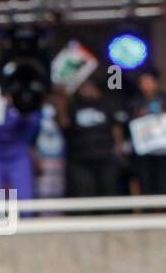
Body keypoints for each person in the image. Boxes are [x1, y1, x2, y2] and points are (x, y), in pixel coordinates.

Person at [55, 80, 125, 200]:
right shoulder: (74, 105)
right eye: (83, 87)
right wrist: (61, 101)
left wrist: (118, 147)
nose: (85, 90)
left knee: (109, 192)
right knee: (84, 193)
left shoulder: (106, 104)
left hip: (105, 156)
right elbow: (64, 123)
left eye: (88, 86)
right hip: (80, 159)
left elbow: (116, 127)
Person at [0, 99, 41, 203]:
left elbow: (33, 128)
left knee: (24, 199)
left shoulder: (23, 107)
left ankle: (26, 219)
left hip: (18, 157)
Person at [131, 67, 166, 198]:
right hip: (145, 148)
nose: (145, 85)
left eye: (148, 81)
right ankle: (147, 212)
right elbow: (129, 121)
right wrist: (140, 115)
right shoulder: (135, 101)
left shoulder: (164, 97)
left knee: (163, 182)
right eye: (142, 82)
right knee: (146, 182)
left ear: (155, 82)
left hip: (163, 149)